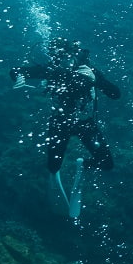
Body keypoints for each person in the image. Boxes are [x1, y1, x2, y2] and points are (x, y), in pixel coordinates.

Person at [10, 37, 121, 174]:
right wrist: (19, 76)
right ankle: (58, 170)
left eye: (67, 58)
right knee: (53, 167)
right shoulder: (51, 70)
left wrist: (95, 79)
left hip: (85, 122)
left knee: (106, 164)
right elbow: (16, 70)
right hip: (60, 123)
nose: (64, 63)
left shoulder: (86, 70)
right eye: (59, 58)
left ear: (74, 55)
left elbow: (115, 94)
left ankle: (84, 165)